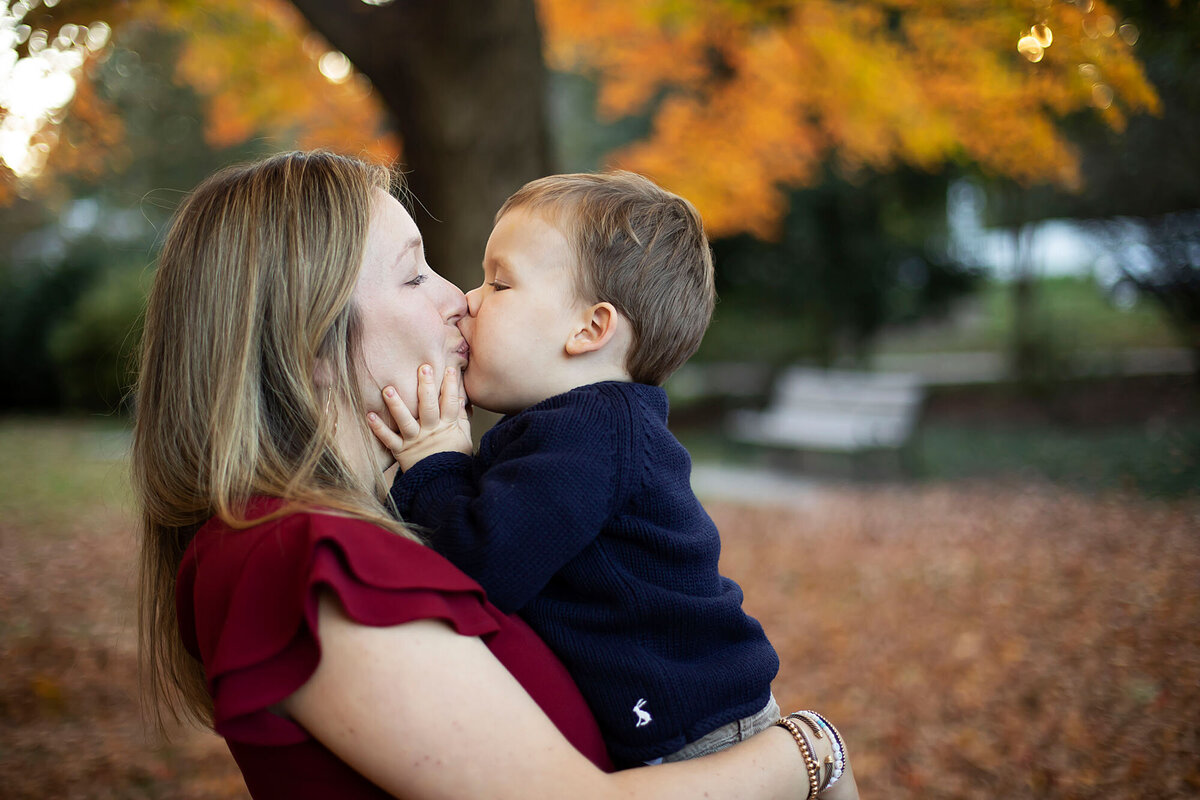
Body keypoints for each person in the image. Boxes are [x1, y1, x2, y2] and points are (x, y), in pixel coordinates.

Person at [133, 150, 858, 800]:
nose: (460, 300)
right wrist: (811, 752)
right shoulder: (309, 561)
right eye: (414, 274)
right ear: (308, 336)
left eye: (490, 282)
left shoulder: (340, 536)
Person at [370, 171, 784, 768]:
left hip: (701, 736)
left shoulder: (595, 432)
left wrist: (435, 461)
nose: (467, 299)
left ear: (589, 329)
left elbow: (480, 566)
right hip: (678, 727)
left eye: (499, 283)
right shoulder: (572, 429)